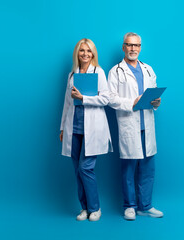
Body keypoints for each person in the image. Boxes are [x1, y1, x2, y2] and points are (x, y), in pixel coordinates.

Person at [107, 32, 163, 220]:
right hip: (129, 125)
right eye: (129, 45)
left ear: (140, 48)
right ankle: (129, 206)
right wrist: (132, 102)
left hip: (146, 124)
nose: (133, 49)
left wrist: (156, 102)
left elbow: (153, 95)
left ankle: (145, 206)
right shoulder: (116, 71)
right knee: (129, 168)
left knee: (148, 168)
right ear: (123, 47)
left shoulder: (148, 69)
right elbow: (110, 99)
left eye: (136, 45)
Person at [60, 38, 112, 221]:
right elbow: (67, 103)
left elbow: (105, 98)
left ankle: (95, 208)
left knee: (85, 168)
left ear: (93, 54)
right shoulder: (71, 75)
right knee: (77, 169)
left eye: (88, 51)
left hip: (94, 128)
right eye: (82, 50)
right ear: (77, 53)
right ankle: (84, 208)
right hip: (73, 127)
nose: (85, 54)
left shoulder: (99, 72)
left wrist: (83, 98)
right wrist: (61, 128)